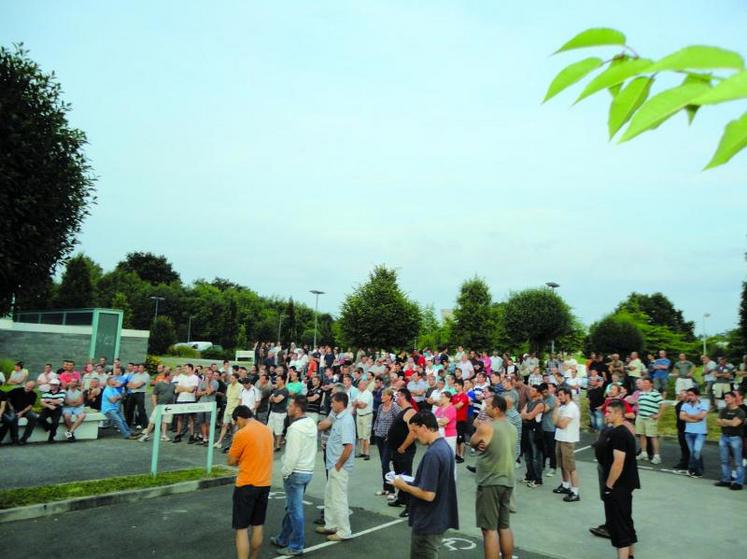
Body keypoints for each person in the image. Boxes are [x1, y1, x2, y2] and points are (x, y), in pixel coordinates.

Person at [393, 411, 459, 559]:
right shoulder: (444, 447)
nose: (415, 436)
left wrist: (404, 486)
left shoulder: (433, 454)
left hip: (428, 520)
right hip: (438, 517)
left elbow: (428, 494)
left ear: (424, 427)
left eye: (415, 431)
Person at [471, 395, 516, 559]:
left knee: (489, 529)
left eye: (488, 405)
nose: (485, 407)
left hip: (490, 480)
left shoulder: (486, 426)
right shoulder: (512, 427)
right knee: (504, 526)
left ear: (496, 408)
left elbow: (473, 441)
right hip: (507, 479)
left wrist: (478, 443)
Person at [271, 395, 317, 555]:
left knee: (295, 510)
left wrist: (284, 472)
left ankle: (296, 545)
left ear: (297, 408)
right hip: (307, 471)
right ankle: (283, 538)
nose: (287, 407)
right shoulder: (311, 423)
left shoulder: (295, 429)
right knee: (292, 508)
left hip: (295, 473)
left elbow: (292, 456)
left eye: (290, 405)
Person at [227, 405, 273, 559]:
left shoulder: (242, 433)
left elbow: (231, 461)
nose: (236, 425)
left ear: (239, 418)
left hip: (246, 484)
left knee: (241, 529)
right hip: (265, 482)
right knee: (258, 525)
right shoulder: (267, 430)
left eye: (236, 422)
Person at [596, 399, 640, 559]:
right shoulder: (618, 432)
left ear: (618, 414)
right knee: (626, 521)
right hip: (624, 485)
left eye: (609, 412)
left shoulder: (620, 434)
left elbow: (618, 463)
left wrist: (608, 486)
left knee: (619, 526)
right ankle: (630, 555)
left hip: (619, 486)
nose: (606, 414)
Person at [316, 392, 355, 541]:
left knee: (338, 498)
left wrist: (339, 465)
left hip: (339, 466)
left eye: (333, 402)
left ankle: (344, 531)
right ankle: (331, 524)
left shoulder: (346, 420)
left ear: (341, 403)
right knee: (330, 496)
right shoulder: (339, 418)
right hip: (333, 464)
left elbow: (349, 446)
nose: (331, 405)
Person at [388, 388, 418, 516]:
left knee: (406, 477)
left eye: (398, 395)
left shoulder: (410, 411)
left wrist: (403, 447)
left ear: (403, 396)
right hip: (397, 450)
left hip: (404, 451)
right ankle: (402, 498)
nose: (396, 398)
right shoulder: (402, 411)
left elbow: (413, 432)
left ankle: (410, 506)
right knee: (399, 475)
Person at [551, 387, 581, 502]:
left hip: (568, 439)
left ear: (568, 395)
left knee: (570, 467)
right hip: (560, 438)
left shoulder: (572, 408)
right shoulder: (562, 407)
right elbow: (555, 421)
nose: (559, 397)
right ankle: (565, 485)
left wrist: (557, 421)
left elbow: (562, 424)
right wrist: (557, 409)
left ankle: (575, 491)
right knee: (563, 465)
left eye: (561, 395)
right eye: (558, 395)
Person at [715, 391, 745, 490]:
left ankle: (739, 483)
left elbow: (735, 424)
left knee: (738, 461)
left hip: (735, 438)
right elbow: (718, 422)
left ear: (733, 399)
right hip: (724, 437)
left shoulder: (740, 412)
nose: (725, 399)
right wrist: (729, 422)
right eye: (725, 398)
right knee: (724, 460)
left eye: (727, 397)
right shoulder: (723, 410)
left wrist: (725, 421)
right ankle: (726, 480)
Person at [373, 387, 401, 497]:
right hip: (379, 437)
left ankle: (392, 490)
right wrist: (375, 429)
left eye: (384, 395)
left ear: (390, 396)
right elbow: (378, 419)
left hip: (389, 440)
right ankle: (386, 488)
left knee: (385, 464)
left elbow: (399, 422)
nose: (382, 397)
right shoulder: (380, 406)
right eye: (381, 395)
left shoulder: (394, 407)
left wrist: (392, 435)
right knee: (383, 465)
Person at [139, 370, 176, 442]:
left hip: (168, 406)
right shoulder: (159, 384)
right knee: (152, 421)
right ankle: (146, 435)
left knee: (165, 421)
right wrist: (155, 405)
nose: (173, 377)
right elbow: (154, 395)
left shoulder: (173, 385)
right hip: (159, 405)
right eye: (171, 376)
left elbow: (174, 393)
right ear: (167, 376)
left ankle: (164, 435)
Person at [679, 386, 709, 478]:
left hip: (700, 432)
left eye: (691, 395)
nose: (689, 397)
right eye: (688, 395)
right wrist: (694, 419)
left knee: (696, 451)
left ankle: (693, 470)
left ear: (697, 396)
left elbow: (701, 416)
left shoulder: (703, 404)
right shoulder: (685, 405)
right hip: (688, 432)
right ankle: (696, 470)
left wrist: (689, 416)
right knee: (693, 452)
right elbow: (682, 417)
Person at [635, 378, 663, 464]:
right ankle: (644, 453)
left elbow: (662, 404)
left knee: (652, 436)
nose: (644, 384)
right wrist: (638, 413)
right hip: (640, 417)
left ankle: (657, 456)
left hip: (650, 418)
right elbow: (638, 403)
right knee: (641, 435)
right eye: (643, 383)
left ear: (651, 384)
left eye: (646, 383)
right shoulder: (641, 393)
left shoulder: (655, 394)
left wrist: (658, 415)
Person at [216, 373, 243, 449]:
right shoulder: (229, 386)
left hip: (235, 410)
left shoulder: (240, 387)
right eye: (230, 378)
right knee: (224, 425)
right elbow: (228, 397)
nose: (231, 380)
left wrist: (238, 410)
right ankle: (219, 442)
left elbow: (240, 400)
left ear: (237, 379)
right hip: (228, 408)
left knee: (235, 427)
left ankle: (233, 444)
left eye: (233, 378)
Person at [37, 378, 66, 442]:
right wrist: (49, 405)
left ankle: (51, 438)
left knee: (55, 423)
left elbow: (59, 401)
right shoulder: (46, 392)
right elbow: (41, 402)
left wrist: (49, 400)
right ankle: (49, 428)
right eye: (51, 385)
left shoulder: (62, 391)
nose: (52, 386)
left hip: (57, 409)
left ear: (58, 385)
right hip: (48, 408)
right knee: (40, 419)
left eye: (54, 385)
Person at [353, 377, 374, 460]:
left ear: (365, 385)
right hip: (359, 415)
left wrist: (357, 403)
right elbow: (354, 403)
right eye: (359, 384)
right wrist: (358, 403)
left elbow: (363, 406)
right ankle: (362, 452)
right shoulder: (358, 393)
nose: (359, 385)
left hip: (366, 415)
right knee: (361, 435)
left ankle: (367, 453)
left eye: (361, 384)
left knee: (366, 435)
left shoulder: (368, 393)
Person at [268, 375, 290, 451]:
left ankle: (277, 446)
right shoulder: (276, 389)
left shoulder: (285, 390)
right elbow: (270, 400)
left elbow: (277, 400)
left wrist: (273, 398)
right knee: (270, 429)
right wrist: (273, 398)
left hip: (280, 413)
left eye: (278, 380)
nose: (276, 381)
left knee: (278, 430)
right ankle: (273, 444)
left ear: (282, 381)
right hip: (273, 411)